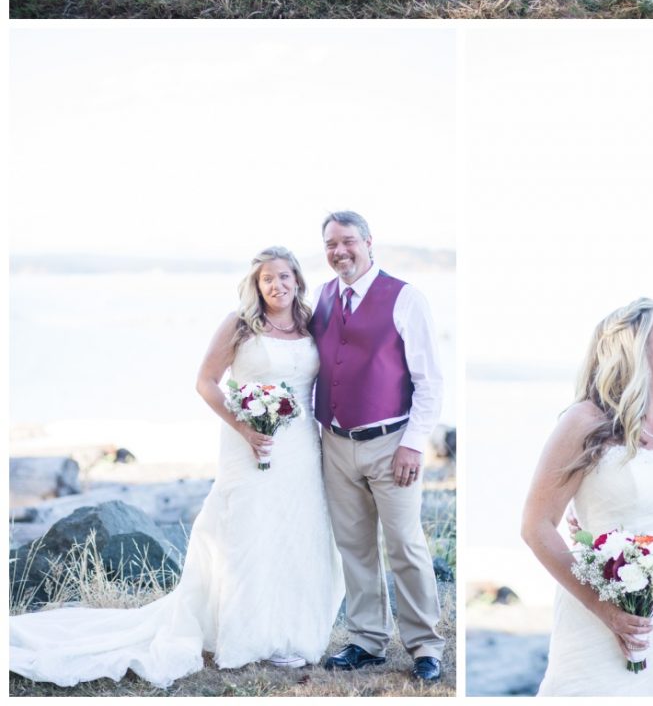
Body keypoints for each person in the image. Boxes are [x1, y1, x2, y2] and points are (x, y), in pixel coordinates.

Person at [9, 247, 344, 687]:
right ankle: (244, 635)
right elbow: (205, 382)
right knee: (248, 532)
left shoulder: (311, 321)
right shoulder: (240, 324)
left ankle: (291, 635)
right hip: (248, 445)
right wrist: (244, 426)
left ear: (298, 279)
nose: (277, 285)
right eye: (268, 279)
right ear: (257, 285)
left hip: (300, 447)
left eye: (285, 276)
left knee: (296, 533)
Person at [522, 298, 653, 696]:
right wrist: (605, 609)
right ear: (636, 351)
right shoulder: (585, 422)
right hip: (601, 617)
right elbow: (536, 526)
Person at [314, 210, 445, 684]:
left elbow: (430, 382)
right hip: (335, 442)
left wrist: (413, 445)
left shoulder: (405, 297)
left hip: (392, 443)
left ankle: (426, 646)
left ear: (369, 242)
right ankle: (367, 641)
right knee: (354, 547)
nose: (339, 251)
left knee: (406, 545)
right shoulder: (325, 296)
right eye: (330, 244)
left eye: (347, 241)